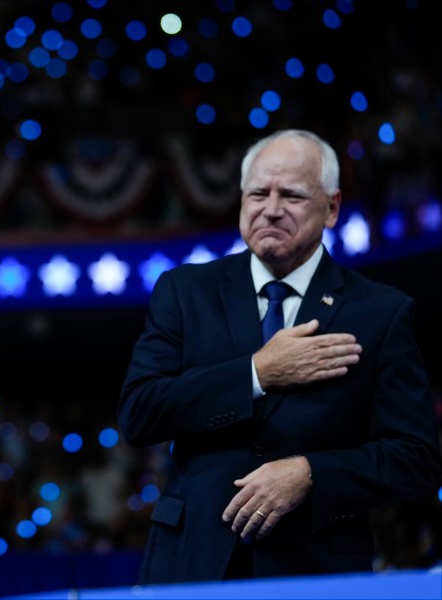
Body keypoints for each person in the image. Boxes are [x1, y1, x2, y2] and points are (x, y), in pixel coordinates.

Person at [118, 129, 442, 583]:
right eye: (257, 193)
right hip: (193, 562)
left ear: (331, 207)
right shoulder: (185, 291)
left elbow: (415, 458)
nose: (270, 209)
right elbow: (139, 412)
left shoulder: (381, 312)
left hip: (316, 568)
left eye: (291, 195)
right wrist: (257, 373)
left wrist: (312, 473)